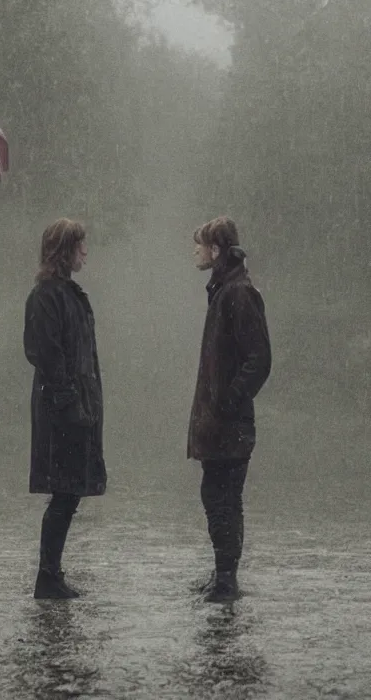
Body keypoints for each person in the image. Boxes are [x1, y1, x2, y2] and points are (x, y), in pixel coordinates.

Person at [188, 216, 271, 603]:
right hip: (219, 421)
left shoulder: (238, 293)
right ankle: (222, 573)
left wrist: (229, 400)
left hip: (229, 422)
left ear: (216, 250)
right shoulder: (224, 289)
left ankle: (226, 579)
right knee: (216, 494)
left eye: (201, 245)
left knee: (223, 496)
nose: (196, 251)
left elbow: (259, 358)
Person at [23, 218, 107, 599]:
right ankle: (48, 575)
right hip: (62, 411)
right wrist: (68, 400)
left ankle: (51, 573)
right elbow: (46, 353)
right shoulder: (46, 296)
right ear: (64, 251)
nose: (85, 252)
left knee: (68, 492)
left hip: (76, 407)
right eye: (79, 246)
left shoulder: (69, 294)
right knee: (64, 492)